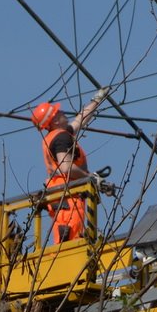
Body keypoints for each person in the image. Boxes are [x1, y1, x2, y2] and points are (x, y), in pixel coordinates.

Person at [32, 87, 109, 243]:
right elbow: (66, 167)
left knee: (68, 236)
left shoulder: (56, 136)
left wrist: (97, 99)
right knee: (69, 240)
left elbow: (80, 120)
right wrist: (90, 178)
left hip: (62, 194)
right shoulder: (61, 139)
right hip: (68, 195)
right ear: (53, 121)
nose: (62, 113)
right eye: (57, 113)